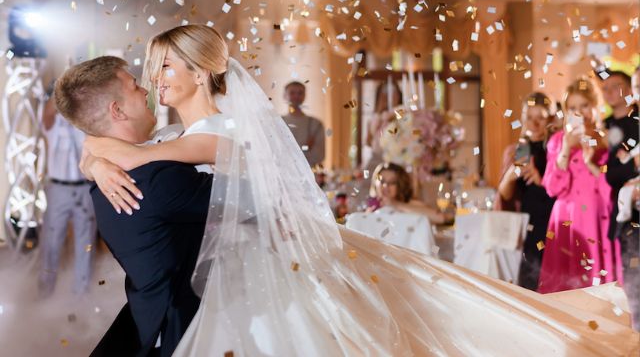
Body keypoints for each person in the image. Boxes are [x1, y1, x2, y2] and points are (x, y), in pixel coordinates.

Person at [84, 25, 638, 355]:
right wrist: (93, 157)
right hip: (225, 273)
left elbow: (169, 154)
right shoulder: (173, 134)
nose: (155, 80)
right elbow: (133, 147)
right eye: (153, 70)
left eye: (164, 68)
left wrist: (109, 153)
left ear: (201, 74)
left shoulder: (222, 130)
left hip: (264, 268)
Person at [54, 56, 213, 356]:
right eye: (134, 86)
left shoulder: (109, 176)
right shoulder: (156, 180)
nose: (146, 90)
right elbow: (254, 197)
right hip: (189, 330)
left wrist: (93, 161)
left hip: (151, 322)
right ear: (117, 110)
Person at [538, 77, 617, 293]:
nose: (580, 113)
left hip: (597, 218)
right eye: (573, 108)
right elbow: (552, 188)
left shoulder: (607, 140)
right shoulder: (557, 141)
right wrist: (565, 150)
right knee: (565, 287)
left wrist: (590, 161)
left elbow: (611, 190)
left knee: (598, 287)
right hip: (566, 220)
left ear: (595, 106)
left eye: (584, 105)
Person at [38, 79, 96, 298]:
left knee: (86, 243)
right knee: (51, 243)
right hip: (58, 189)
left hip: (85, 188)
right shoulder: (54, 123)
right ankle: (45, 292)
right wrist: (63, 87)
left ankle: (82, 297)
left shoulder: (84, 121)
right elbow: (48, 115)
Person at [496, 92, 556, 291]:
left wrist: (541, 180)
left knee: (554, 285)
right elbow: (504, 197)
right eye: (529, 117)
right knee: (529, 287)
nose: (534, 124)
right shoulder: (517, 150)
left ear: (551, 118)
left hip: (554, 223)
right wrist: (511, 175)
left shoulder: (557, 149)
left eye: (540, 117)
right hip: (528, 228)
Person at [346, 162, 440, 256]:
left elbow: (439, 217)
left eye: (392, 182)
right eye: (382, 181)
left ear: (400, 185)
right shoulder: (370, 208)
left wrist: (395, 204)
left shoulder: (409, 204)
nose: (386, 186)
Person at [599, 70, 638, 282]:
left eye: (616, 86)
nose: (610, 92)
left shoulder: (637, 121)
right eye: (605, 88)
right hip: (621, 212)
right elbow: (611, 174)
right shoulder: (602, 127)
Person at [282, 81, 325, 168]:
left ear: (305, 96)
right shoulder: (278, 123)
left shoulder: (315, 124)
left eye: (300, 93)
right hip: (283, 176)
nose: (296, 96)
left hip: (307, 175)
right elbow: (276, 153)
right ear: (284, 96)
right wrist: (305, 148)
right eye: (292, 93)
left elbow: (319, 156)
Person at [364, 80, 402, 171]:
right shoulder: (374, 119)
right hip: (378, 160)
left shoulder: (402, 115)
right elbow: (368, 142)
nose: (389, 96)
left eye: (393, 92)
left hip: (398, 160)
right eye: (385, 92)